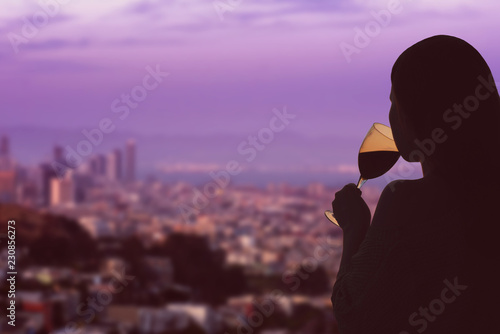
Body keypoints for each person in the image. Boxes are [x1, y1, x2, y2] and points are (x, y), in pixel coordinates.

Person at [331, 35, 500, 334]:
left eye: (395, 102)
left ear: (419, 114)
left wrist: (354, 228)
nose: (391, 115)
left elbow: (353, 317)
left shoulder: (406, 202)